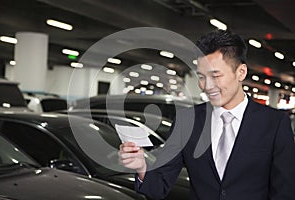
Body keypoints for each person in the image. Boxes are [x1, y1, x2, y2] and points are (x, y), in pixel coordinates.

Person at [119, 30, 295, 200]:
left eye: (215, 75)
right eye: (201, 77)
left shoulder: (275, 124)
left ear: (241, 72)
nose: (206, 86)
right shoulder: (187, 121)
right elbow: (158, 188)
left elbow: (285, 192)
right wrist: (142, 167)